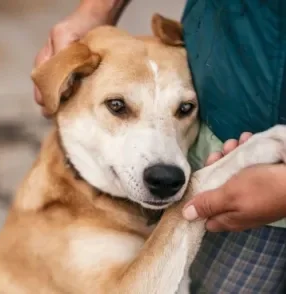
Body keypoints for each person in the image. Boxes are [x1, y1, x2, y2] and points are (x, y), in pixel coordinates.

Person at [33, 0, 286, 292]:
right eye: (118, 106)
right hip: (243, 154)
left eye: (183, 109)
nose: (162, 157)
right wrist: (96, 10)